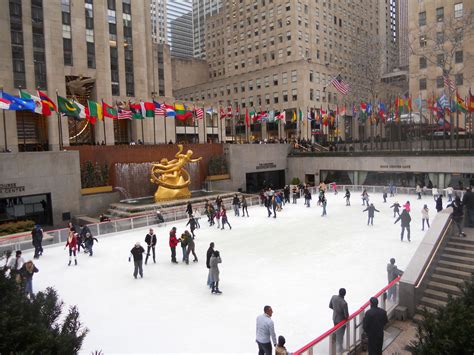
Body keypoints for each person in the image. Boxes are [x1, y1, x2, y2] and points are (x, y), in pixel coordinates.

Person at [329, 288, 349, 353]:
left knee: (336, 331)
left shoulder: (333, 297)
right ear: (345, 294)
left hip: (334, 318)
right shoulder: (344, 303)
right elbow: (346, 316)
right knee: (340, 337)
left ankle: (334, 342)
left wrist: (336, 310)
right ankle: (339, 351)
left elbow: (330, 306)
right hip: (341, 322)